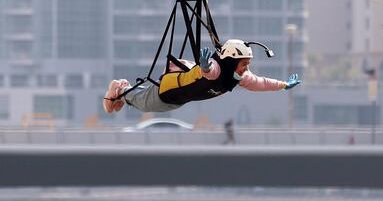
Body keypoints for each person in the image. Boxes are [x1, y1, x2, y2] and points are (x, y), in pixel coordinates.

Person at [102, 39, 300, 114]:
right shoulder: (217, 68)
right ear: (231, 60)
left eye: (247, 64)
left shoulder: (239, 76)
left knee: (148, 101)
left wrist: (283, 85)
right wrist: (204, 66)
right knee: (147, 104)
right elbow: (210, 71)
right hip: (171, 88)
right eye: (244, 64)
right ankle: (119, 89)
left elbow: (261, 83)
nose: (246, 69)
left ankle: (123, 94)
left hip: (181, 97)